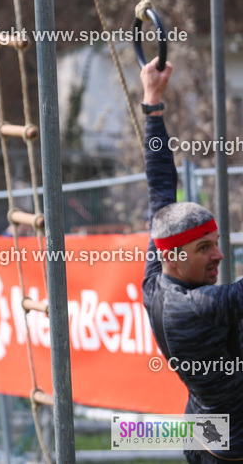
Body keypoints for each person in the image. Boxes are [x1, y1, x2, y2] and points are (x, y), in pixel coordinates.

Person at [141, 57, 243, 462]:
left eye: (216, 242)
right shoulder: (196, 307)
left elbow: (161, 189)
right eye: (205, 248)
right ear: (174, 256)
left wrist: (153, 102)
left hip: (201, 432)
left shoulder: (156, 278)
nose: (219, 254)